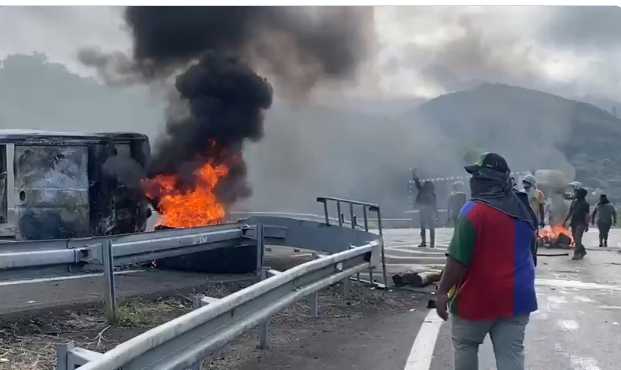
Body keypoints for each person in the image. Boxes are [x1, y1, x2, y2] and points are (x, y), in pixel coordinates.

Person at [436, 152, 538, 370]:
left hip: (477, 297)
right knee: (511, 355)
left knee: (466, 345)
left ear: (484, 181)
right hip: (517, 298)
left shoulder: (474, 211)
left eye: (477, 177)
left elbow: (458, 260)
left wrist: (442, 291)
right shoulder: (524, 209)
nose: (473, 181)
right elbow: (532, 252)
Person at [564, 187, 590, 260]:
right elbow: (570, 212)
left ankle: (577, 254)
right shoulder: (574, 202)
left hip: (581, 223)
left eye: (577, 193)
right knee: (575, 239)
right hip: (574, 223)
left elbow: (587, 215)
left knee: (578, 238)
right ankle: (582, 251)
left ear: (581, 194)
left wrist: (587, 225)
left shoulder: (585, 204)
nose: (575, 194)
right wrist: (566, 220)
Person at [413, 172, 437, 248]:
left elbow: (417, 184)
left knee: (423, 227)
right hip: (429, 211)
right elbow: (434, 204)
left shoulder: (422, 191)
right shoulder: (432, 193)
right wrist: (436, 212)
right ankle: (431, 243)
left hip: (423, 210)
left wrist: (414, 175)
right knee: (431, 227)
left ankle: (424, 242)